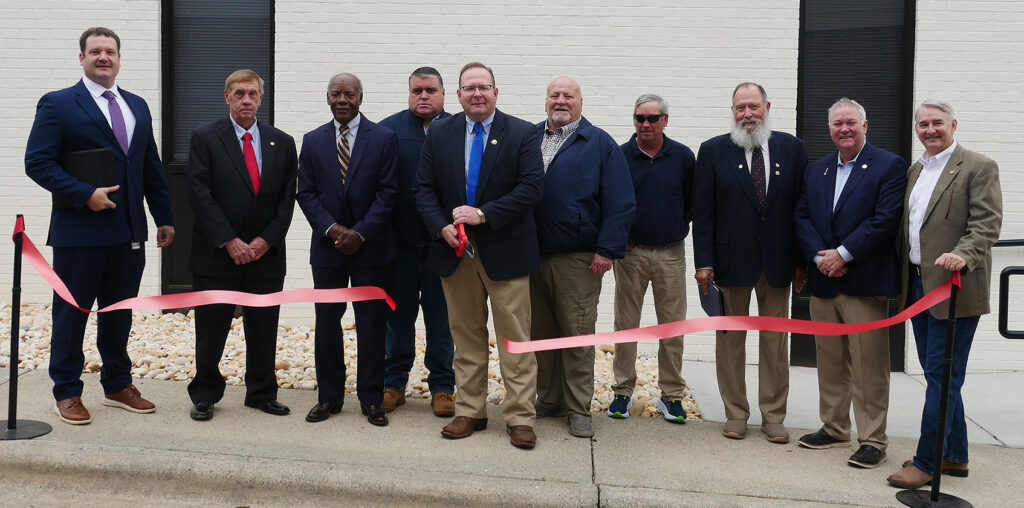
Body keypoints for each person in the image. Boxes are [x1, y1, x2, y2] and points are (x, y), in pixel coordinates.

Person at [25, 27, 175, 425]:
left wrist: (164, 216)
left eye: (110, 51)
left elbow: (149, 167)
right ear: (82, 58)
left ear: (120, 59)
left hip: (129, 233)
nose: (103, 57)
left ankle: (117, 385)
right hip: (80, 234)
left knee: (119, 312)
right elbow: (37, 163)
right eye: (95, 51)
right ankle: (68, 391)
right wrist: (84, 193)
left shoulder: (137, 106)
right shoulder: (58, 104)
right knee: (72, 314)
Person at [414, 62, 544, 449]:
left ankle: (520, 416)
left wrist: (483, 215)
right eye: (469, 88)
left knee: (514, 339)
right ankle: (469, 410)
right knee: (465, 336)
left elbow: (531, 188)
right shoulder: (440, 132)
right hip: (455, 252)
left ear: (496, 92)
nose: (476, 94)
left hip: (506, 251)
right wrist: (442, 226)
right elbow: (422, 189)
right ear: (457, 95)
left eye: (483, 87)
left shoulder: (521, 132)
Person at [887, 101, 1002, 488]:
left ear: (953, 125)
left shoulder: (978, 166)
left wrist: (962, 255)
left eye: (938, 123)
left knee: (942, 377)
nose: (930, 129)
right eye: (923, 124)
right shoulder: (916, 169)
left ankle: (926, 462)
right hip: (917, 286)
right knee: (940, 375)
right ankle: (954, 457)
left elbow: (986, 225)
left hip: (954, 290)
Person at [793, 97, 907, 469]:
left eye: (850, 123)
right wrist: (820, 258)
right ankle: (835, 427)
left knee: (868, 366)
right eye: (837, 124)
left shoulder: (889, 166)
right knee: (830, 362)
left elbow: (885, 219)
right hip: (825, 283)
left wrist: (843, 254)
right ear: (829, 129)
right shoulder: (818, 170)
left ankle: (873, 439)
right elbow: (803, 216)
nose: (844, 129)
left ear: (864, 126)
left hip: (864, 283)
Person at [692, 82, 808, 443]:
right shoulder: (712, 151)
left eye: (753, 107)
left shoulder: (793, 148)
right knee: (730, 343)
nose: (747, 114)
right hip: (729, 265)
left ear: (767, 107)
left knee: (775, 343)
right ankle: (736, 414)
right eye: (740, 108)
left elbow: (802, 209)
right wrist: (704, 263)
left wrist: (802, 260)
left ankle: (773, 416)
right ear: (733, 111)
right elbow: (703, 213)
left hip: (778, 264)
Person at [186, 69, 298, 422]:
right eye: (239, 94)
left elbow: (286, 199)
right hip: (217, 254)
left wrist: (266, 240)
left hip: (265, 255)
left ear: (261, 98)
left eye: (252, 94)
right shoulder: (205, 138)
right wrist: (230, 241)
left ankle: (262, 393)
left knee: (263, 327)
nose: (246, 100)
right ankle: (205, 393)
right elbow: (199, 194)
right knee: (210, 328)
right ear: (226, 97)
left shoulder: (282, 141)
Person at [530, 76, 635, 438]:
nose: (561, 100)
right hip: (531, 256)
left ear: (580, 102)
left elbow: (621, 202)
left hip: (577, 258)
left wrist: (607, 249)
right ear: (546, 100)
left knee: (575, 334)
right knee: (542, 335)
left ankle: (578, 408)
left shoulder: (599, 143)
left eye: (568, 95)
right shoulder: (530, 138)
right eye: (554, 95)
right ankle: (550, 399)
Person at [296, 73, 399, 426]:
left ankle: (371, 399)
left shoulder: (384, 139)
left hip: (371, 249)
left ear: (360, 98)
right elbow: (306, 194)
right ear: (327, 98)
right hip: (327, 249)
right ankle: (329, 397)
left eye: (349, 94)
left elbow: (389, 194)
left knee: (371, 325)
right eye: (336, 94)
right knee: (327, 324)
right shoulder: (311, 141)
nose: (343, 100)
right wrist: (333, 229)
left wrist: (361, 233)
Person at [609, 94, 693, 424]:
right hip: (630, 251)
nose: (646, 124)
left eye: (653, 118)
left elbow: (690, 203)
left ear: (665, 120)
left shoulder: (683, 156)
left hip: (671, 252)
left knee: (672, 327)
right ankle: (621, 392)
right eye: (640, 118)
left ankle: (671, 396)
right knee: (625, 324)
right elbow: (613, 201)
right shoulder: (620, 155)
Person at [378, 67, 455, 417]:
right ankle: (393, 384)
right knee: (398, 320)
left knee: (442, 322)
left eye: (430, 90)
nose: (423, 96)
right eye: (416, 90)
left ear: (444, 93)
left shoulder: (460, 129)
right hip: (401, 249)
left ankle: (443, 387)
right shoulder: (387, 131)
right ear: (408, 93)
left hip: (443, 249)